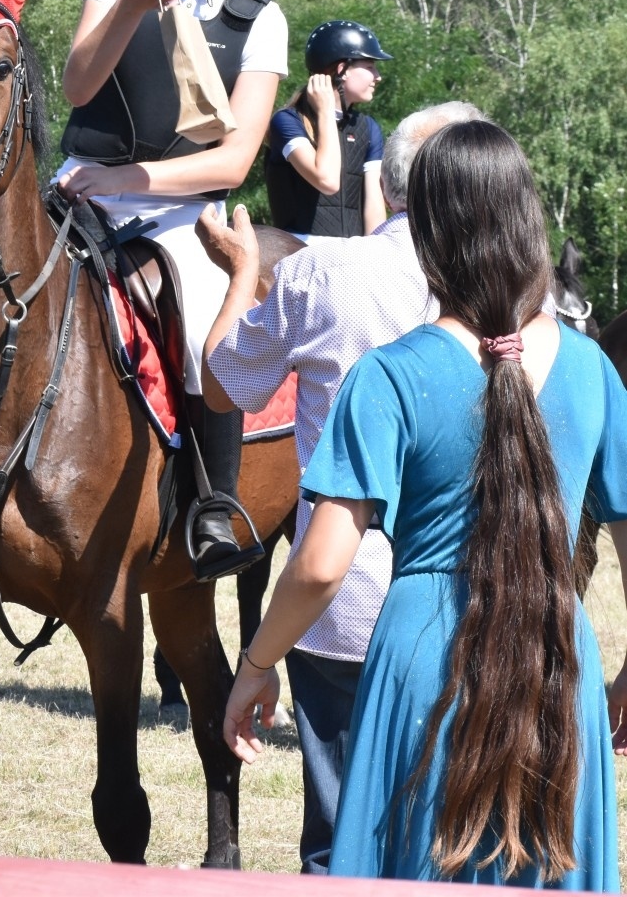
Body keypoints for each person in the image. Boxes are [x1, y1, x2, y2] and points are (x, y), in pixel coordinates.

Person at [222, 120, 627, 890]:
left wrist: (256, 664)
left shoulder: (387, 377)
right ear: (527, 221)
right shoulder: (592, 371)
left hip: (422, 663)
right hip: (558, 659)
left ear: (427, 234)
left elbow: (320, 566)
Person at [198, 100, 483, 873]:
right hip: (479, 609)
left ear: (388, 188)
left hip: (344, 606)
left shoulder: (321, 271)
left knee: (339, 848)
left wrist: (244, 274)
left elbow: (223, 385)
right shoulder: (514, 291)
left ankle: (202, 505)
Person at [55, 0, 288, 582]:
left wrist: (126, 181)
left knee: (202, 323)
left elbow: (235, 157)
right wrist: (129, 7)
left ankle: (214, 504)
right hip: (81, 184)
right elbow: (78, 86)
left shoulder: (261, 17)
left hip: (182, 208)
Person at [264, 20, 390, 240]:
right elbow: (327, 181)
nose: (378, 76)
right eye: (370, 67)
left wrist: (376, 250)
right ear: (342, 70)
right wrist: (325, 111)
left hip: (351, 252)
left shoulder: (368, 127)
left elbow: (374, 206)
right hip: (298, 250)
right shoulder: (287, 121)